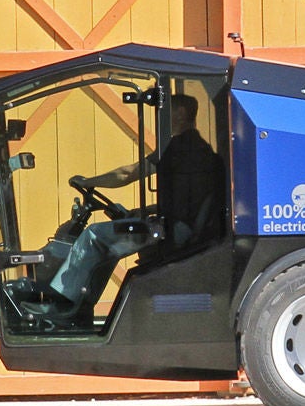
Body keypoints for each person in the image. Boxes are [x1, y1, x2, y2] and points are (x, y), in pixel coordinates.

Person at [44, 92, 224, 310]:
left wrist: (89, 181)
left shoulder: (179, 147)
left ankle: (60, 304)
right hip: (178, 224)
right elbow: (185, 200)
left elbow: (127, 174)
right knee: (115, 229)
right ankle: (79, 305)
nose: (162, 115)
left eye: (169, 110)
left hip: (170, 230)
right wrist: (143, 210)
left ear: (182, 113)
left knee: (93, 235)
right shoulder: (199, 149)